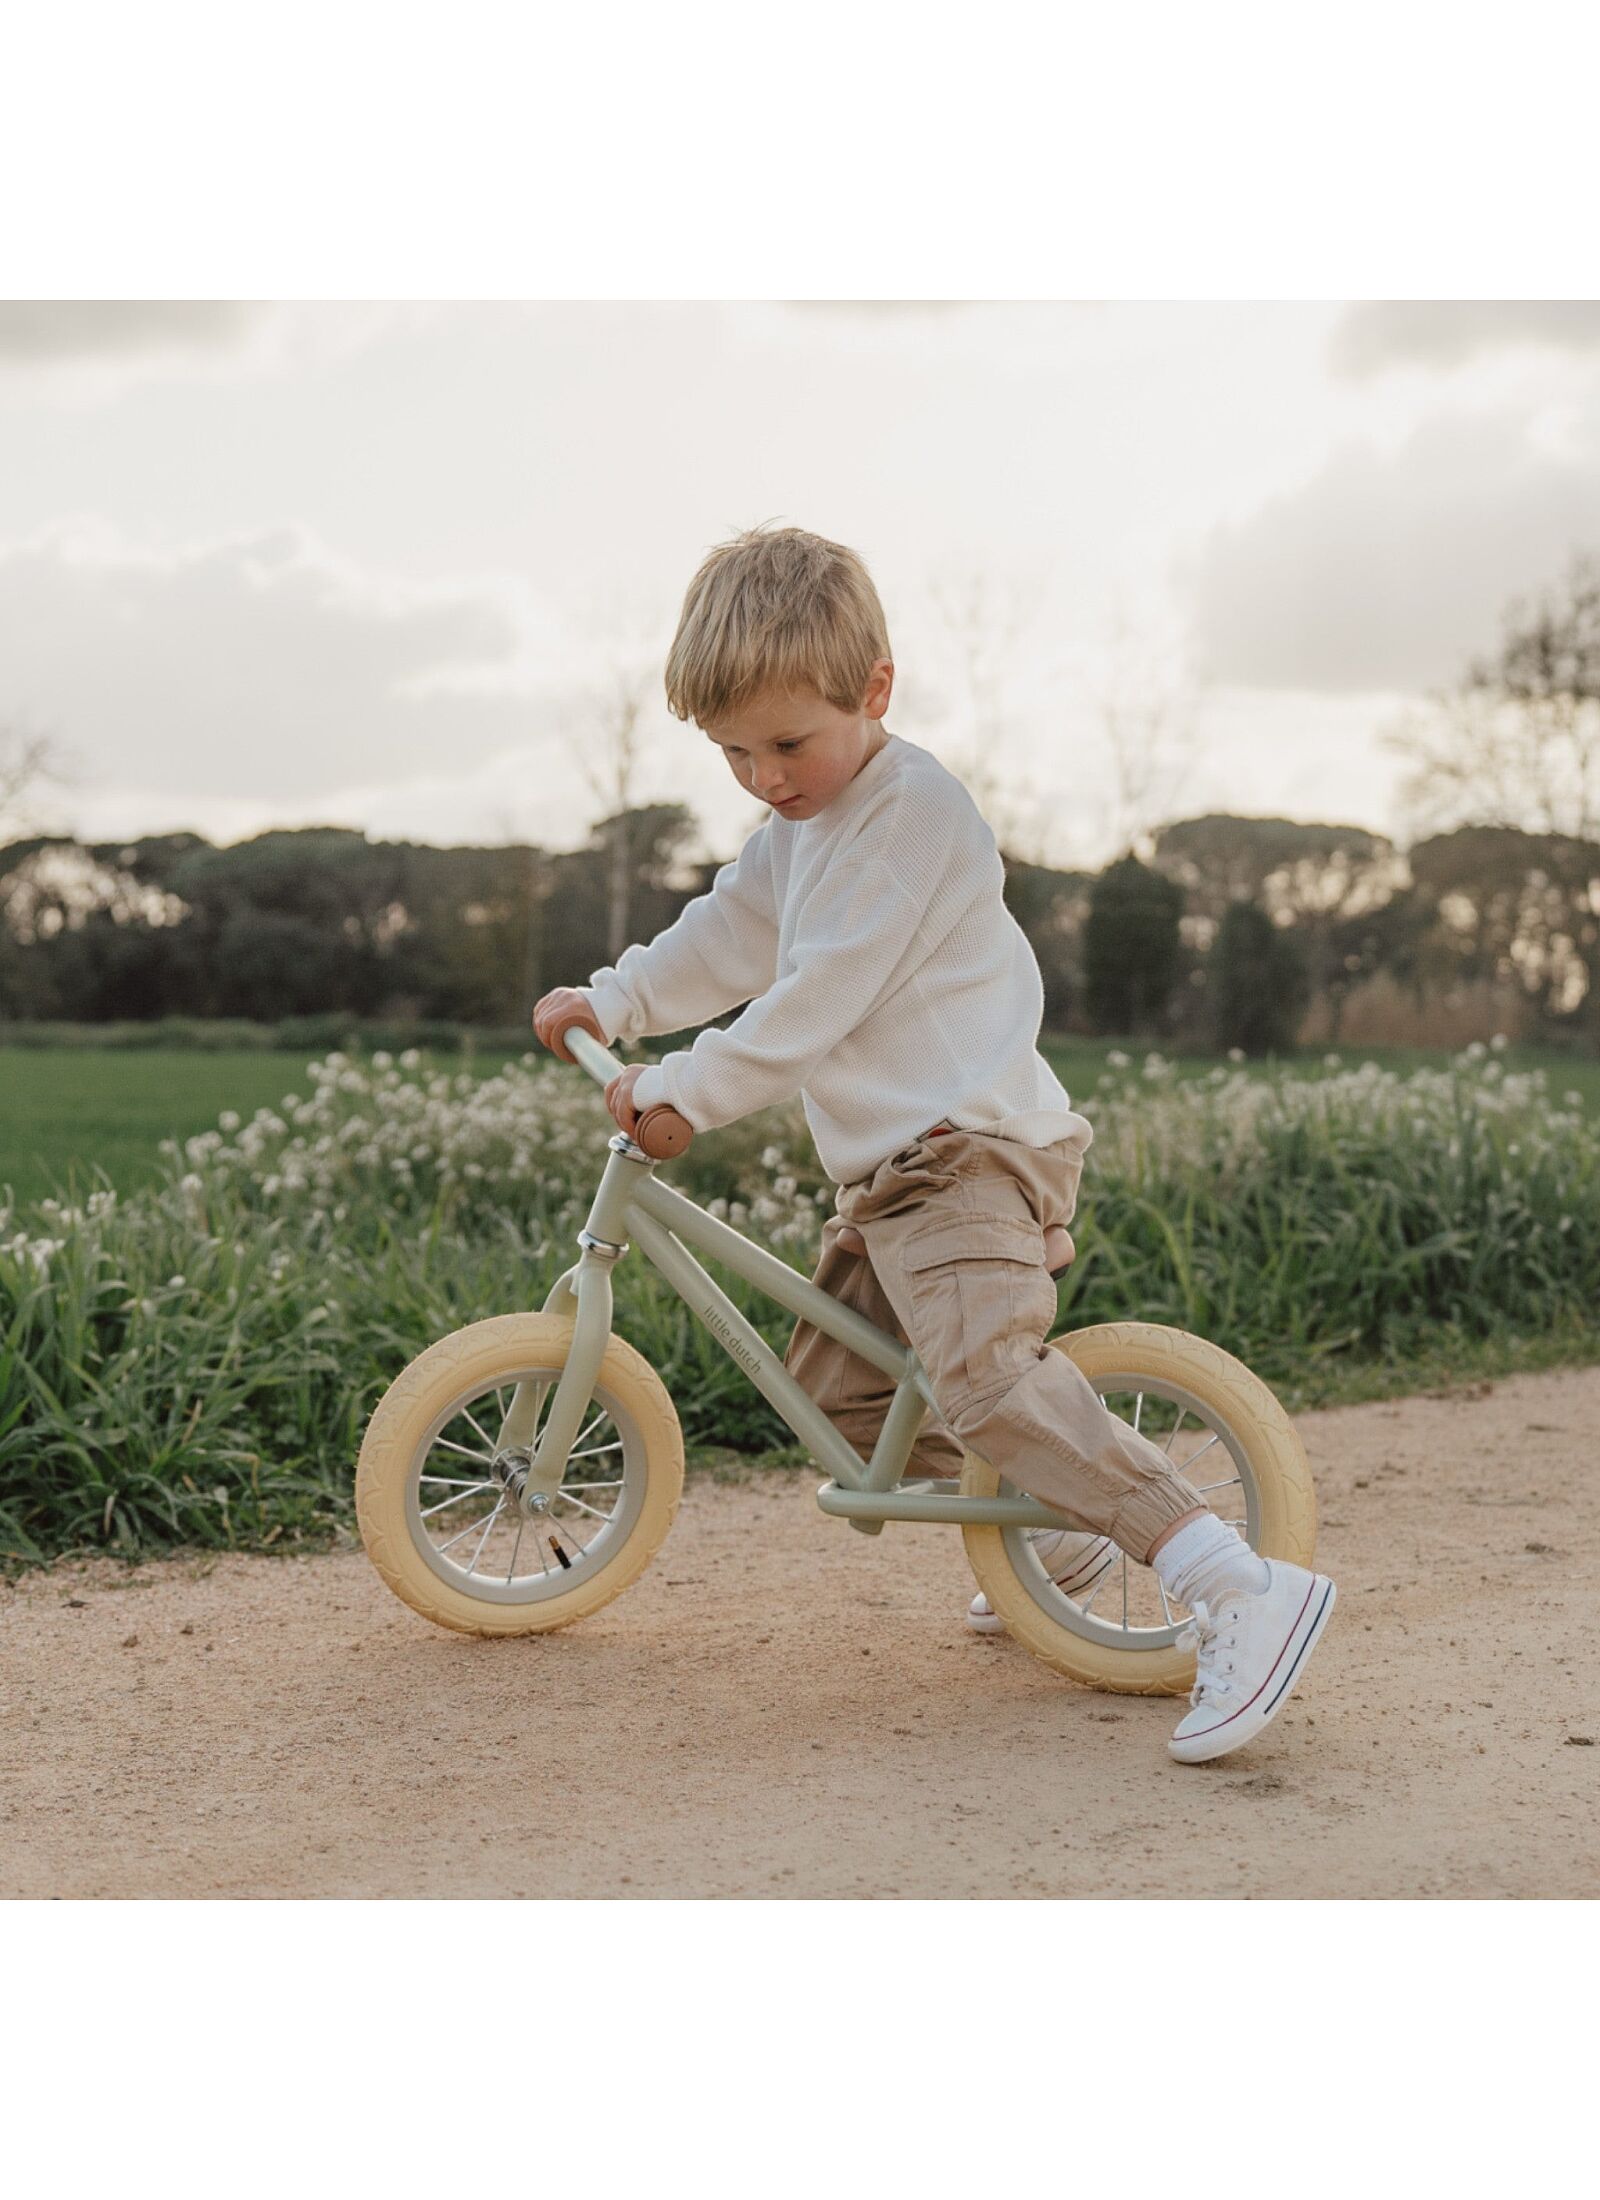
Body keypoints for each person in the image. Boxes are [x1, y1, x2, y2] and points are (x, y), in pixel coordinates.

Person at [532, 523, 1335, 1764]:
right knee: (846, 1398)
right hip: (894, 1175)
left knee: (987, 1381)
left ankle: (1228, 1578)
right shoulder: (799, 832)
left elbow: (814, 999)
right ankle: (1057, 1541)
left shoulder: (912, 817)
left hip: (970, 1153)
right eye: (734, 751)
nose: (765, 777)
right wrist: (615, 998)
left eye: (787, 743)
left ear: (875, 689)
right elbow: (726, 935)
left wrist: (686, 1083)